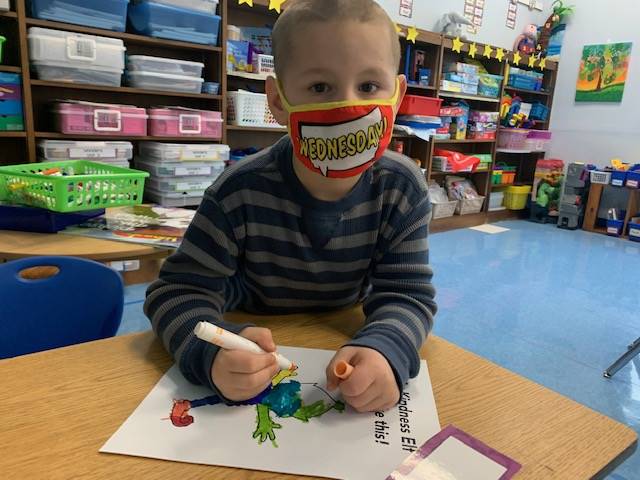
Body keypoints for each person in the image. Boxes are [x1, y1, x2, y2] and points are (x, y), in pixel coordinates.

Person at [144, 0, 437, 413]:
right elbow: (175, 292)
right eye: (320, 88)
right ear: (278, 101)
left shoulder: (402, 188)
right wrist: (209, 355)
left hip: (343, 330)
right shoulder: (238, 191)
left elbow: (407, 296)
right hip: (252, 332)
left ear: (398, 94)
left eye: (369, 87)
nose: (345, 107)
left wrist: (387, 350)